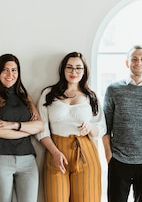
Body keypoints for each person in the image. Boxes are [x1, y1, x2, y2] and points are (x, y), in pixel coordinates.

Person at [36, 51, 106, 202]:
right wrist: (55, 152)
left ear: (84, 71)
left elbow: (101, 127)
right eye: (69, 67)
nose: (74, 72)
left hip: (86, 151)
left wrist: (90, 128)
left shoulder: (91, 96)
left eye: (78, 68)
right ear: (63, 70)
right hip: (56, 151)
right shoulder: (49, 94)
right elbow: (42, 129)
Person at [102, 45, 142, 202]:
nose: (138, 62)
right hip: (119, 160)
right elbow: (105, 126)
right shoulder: (113, 90)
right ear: (127, 63)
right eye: (134, 59)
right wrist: (109, 157)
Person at [0, 54, 43, 202]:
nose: (10, 74)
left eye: (14, 70)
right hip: (0, 159)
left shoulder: (25, 96)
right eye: (5, 70)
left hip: (28, 161)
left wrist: (15, 125)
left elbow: (40, 126)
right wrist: (27, 131)